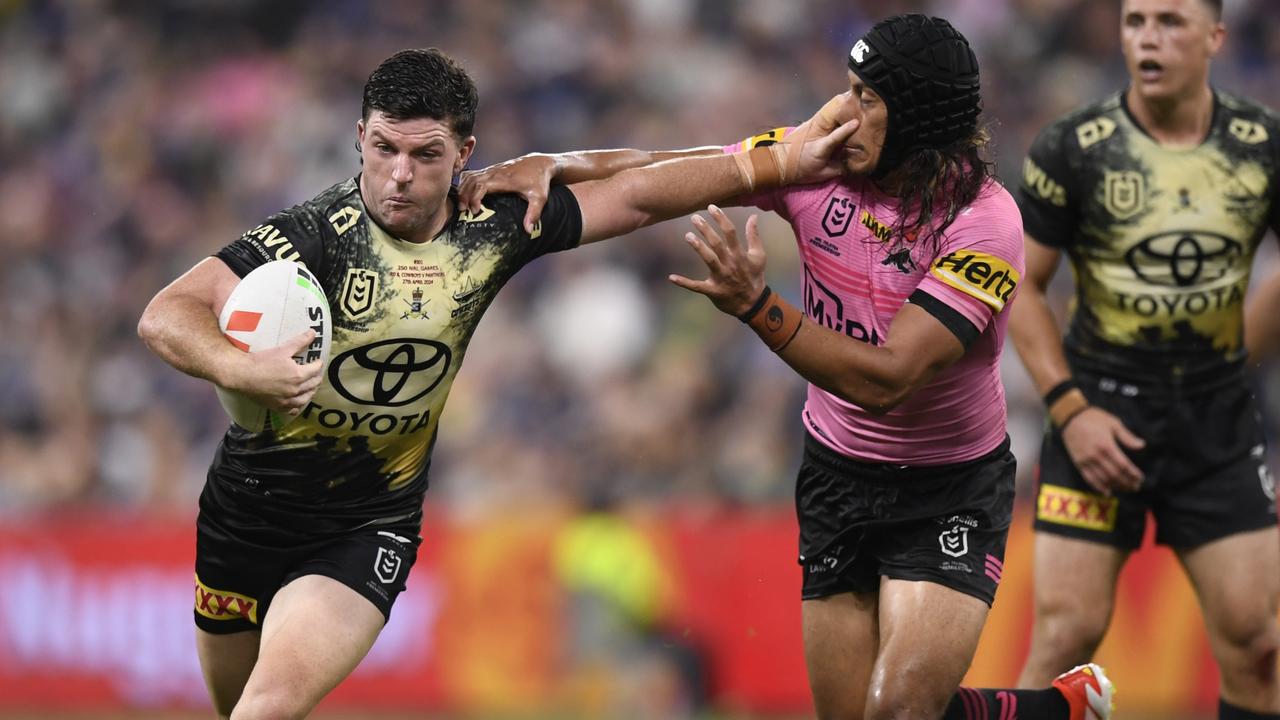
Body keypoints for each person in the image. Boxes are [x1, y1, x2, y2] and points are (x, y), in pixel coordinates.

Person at [137, 46, 870, 720]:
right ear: (359, 136)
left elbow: (643, 190)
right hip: (243, 514)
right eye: (384, 148)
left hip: (366, 524)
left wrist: (784, 157)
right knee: (236, 708)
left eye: (427, 155)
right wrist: (243, 369)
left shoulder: (493, 223)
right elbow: (165, 313)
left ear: (465, 152)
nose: (400, 174)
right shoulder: (312, 235)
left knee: (264, 710)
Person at [462, 14, 1114, 720]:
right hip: (837, 475)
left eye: (867, 98)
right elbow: (661, 175)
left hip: (948, 484)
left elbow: (886, 380)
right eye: (848, 88)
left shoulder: (985, 224)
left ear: (919, 119)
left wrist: (757, 306)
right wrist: (554, 164)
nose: (840, 111)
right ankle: (1056, 711)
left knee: (897, 711)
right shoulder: (815, 160)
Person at [1009, 0, 1280, 717]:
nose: (1147, 39)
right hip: (1097, 412)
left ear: (1216, 36)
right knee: (1067, 635)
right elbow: (1021, 289)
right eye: (1135, 23)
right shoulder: (1073, 147)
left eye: (1169, 22)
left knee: (1259, 645)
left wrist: (1235, 358)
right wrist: (1071, 412)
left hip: (1217, 426)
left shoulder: (1263, 145)